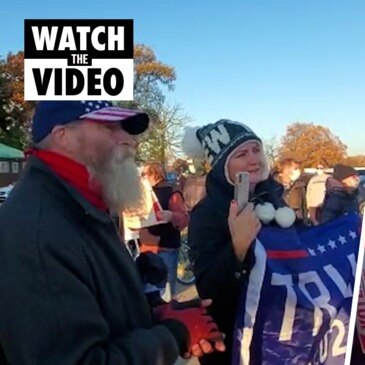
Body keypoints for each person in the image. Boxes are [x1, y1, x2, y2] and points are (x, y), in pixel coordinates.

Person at [0, 101, 224, 364]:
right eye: (109, 127)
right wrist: (174, 334)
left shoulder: (79, 203)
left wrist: (152, 311)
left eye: (126, 129)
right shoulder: (38, 228)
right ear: (64, 136)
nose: (130, 140)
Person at [184, 119, 291, 365]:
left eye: (256, 149)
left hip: (280, 337)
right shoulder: (207, 214)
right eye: (241, 154)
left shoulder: (276, 202)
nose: (254, 159)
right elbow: (210, 293)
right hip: (233, 342)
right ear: (223, 166)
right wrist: (237, 248)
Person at [139, 162, 190, 301]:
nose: (143, 177)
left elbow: (185, 219)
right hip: (147, 249)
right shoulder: (144, 193)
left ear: (153, 174)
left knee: (165, 292)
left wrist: (171, 216)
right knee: (149, 292)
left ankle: (168, 318)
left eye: (145, 174)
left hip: (165, 249)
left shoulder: (172, 193)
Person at [273, 157, 308, 222]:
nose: (298, 171)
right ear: (286, 170)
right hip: (279, 225)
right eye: (295, 169)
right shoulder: (272, 187)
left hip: (298, 225)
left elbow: (304, 208)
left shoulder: (300, 186)